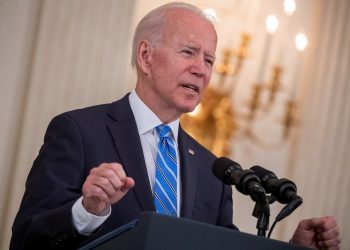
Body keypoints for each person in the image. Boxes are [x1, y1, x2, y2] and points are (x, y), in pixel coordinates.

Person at [10, 2, 340, 250]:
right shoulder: (79, 132)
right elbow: (26, 239)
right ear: (145, 56)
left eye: (209, 60)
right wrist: (87, 210)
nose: (202, 70)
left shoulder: (215, 171)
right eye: (188, 52)